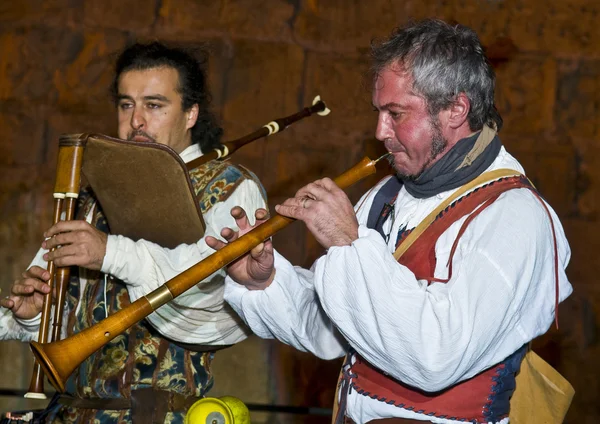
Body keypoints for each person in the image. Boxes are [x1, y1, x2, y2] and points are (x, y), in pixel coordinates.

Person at [207, 19, 573, 424]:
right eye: (379, 112)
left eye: (396, 113)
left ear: (456, 109)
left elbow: (435, 358)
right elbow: (329, 330)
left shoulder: (514, 215)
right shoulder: (383, 198)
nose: (380, 131)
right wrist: (264, 282)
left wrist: (349, 245)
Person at [0, 42, 267, 423]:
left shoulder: (230, 188)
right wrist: (34, 316)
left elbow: (210, 303)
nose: (136, 120)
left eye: (154, 105)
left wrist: (110, 252)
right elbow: (62, 320)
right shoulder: (91, 198)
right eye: (126, 105)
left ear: (191, 113)